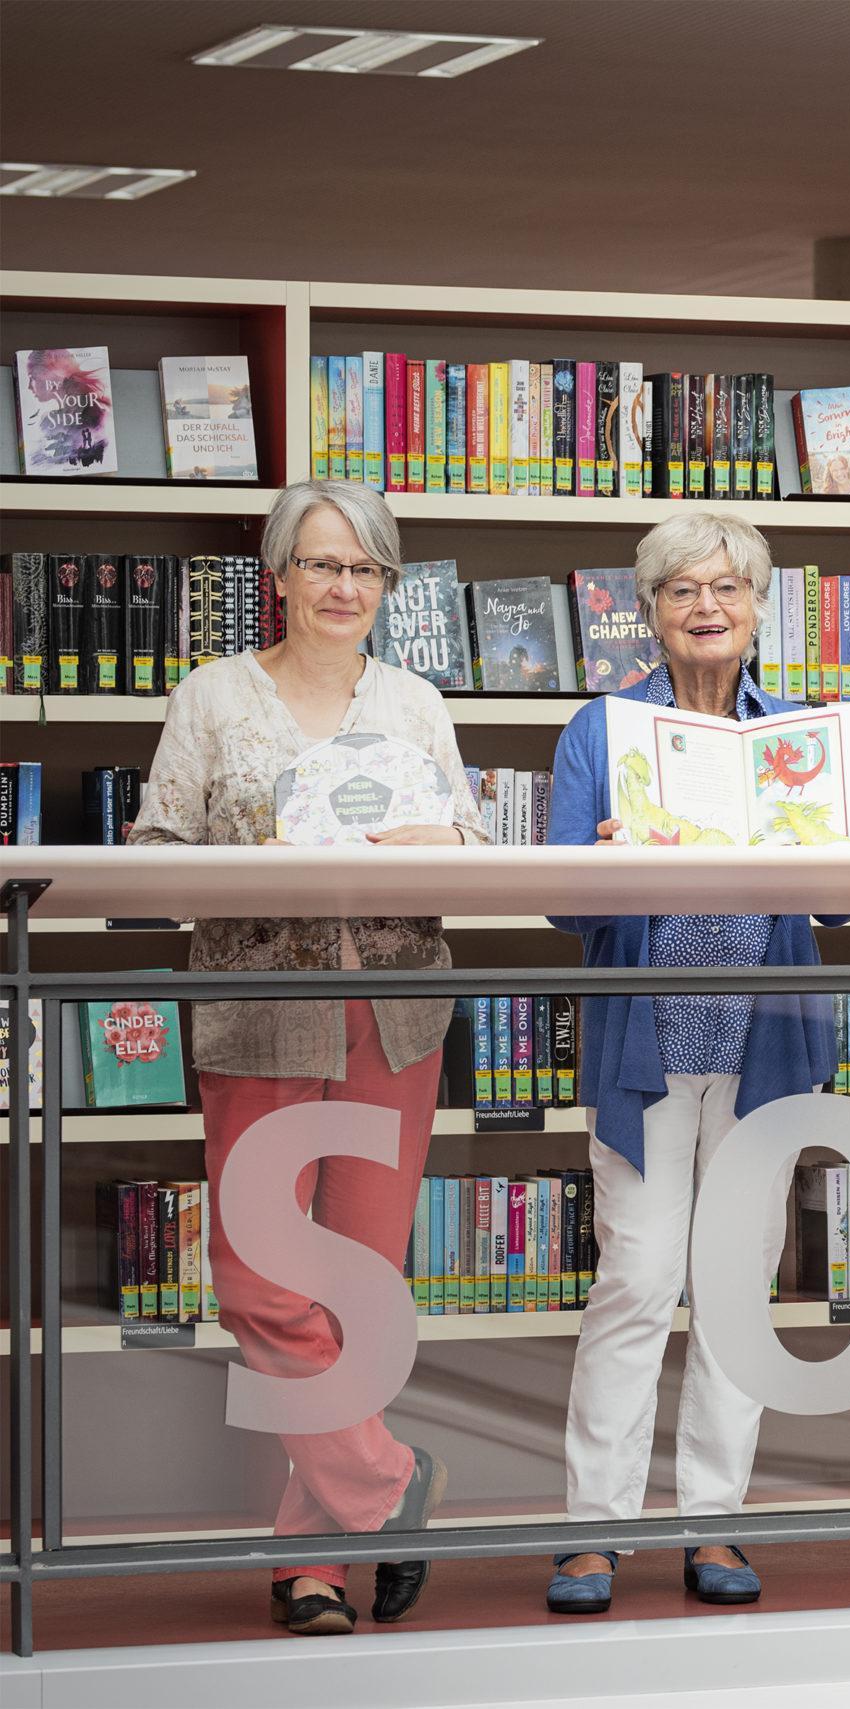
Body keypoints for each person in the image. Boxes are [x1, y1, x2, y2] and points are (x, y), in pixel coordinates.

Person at [543, 512, 850, 1614]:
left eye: (729, 588)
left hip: (763, 1045)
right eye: (681, 590)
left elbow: (842, 902)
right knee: (637, 1278)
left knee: (737, 1291)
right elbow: (563, 899)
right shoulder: (604, 730)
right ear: (649, 610)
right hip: (647, 1049)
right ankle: (592, 1533)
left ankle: (715, 1524)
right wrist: (609, 861)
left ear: (759, 607)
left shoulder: (801, 732)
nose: (707, 607)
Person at [129, 479, 484, 1637]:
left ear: (386, 586)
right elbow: (153, 854)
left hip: (393, 1016)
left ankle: (311, 1559)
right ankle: (390, 1483)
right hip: (258, 1009)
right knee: (259, 1279)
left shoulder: (417, 699)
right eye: (322, 565)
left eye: (366, 569)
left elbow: (472, 847)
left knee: (359, 1298)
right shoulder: (214, 695)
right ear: (277, 575)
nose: (343, 588)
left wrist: (445, 842)